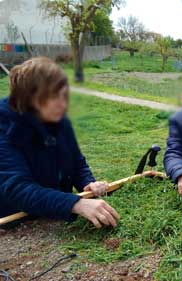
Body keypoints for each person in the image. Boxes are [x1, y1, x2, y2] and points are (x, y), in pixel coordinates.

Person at [0, 57, 120, 229]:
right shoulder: (5, 125)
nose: (64, 105)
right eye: (56, 97)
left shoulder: (59, 119)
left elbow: (77, 161)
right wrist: (75, 204)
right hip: (17, 222)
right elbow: (17, 188)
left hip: (58, 216)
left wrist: (87, 183)